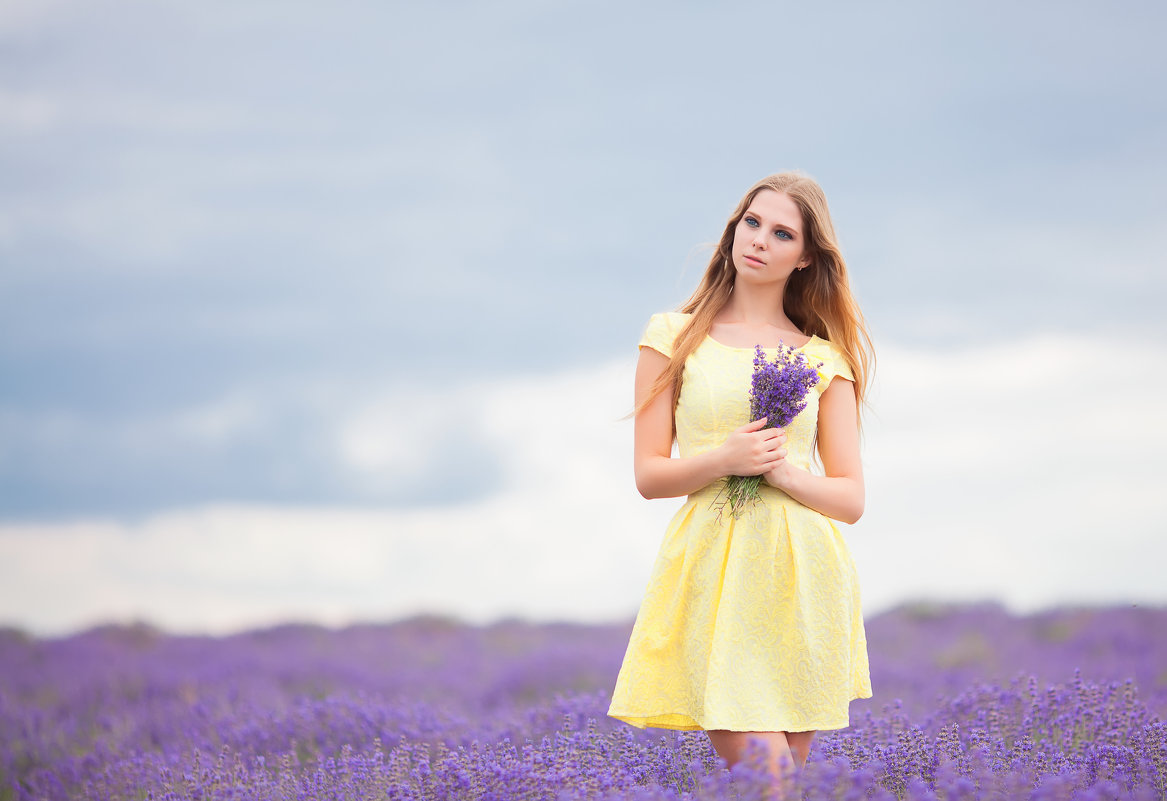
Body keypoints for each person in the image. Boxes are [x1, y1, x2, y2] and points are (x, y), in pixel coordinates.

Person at [607, 171, 874, 785]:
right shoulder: (673, 337)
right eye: (752, 223)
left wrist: (781, 471)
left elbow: (851, 498)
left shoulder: (823, 358)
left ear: (805, 257)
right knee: (770, 778)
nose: (759, 240)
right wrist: (723, 459)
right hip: (713, 571)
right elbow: (650, 475)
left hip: (803, 576)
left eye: (782, 233)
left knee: (778, 788)